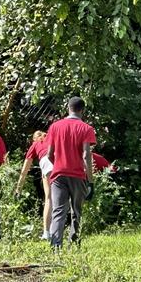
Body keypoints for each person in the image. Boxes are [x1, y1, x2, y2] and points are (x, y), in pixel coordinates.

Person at [47, 96, 96, 249]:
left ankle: (56, 245)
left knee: (58, 211)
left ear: (68, 108)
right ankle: (74, 243)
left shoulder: (55, 126)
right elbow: (86, 155)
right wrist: (91, 181)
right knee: (76, 210)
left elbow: (49, 154)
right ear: (82, 110)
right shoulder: (86, 128)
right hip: (77, 175)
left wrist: (58, 165)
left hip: (58, 175)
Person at [15, 130, 53, 240]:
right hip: (61, 160)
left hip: (48, 162)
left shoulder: (36, 144)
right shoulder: (51, 140)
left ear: (35, 139)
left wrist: (18, 189)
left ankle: (47, 233)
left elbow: (25, 168)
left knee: (49, 198)